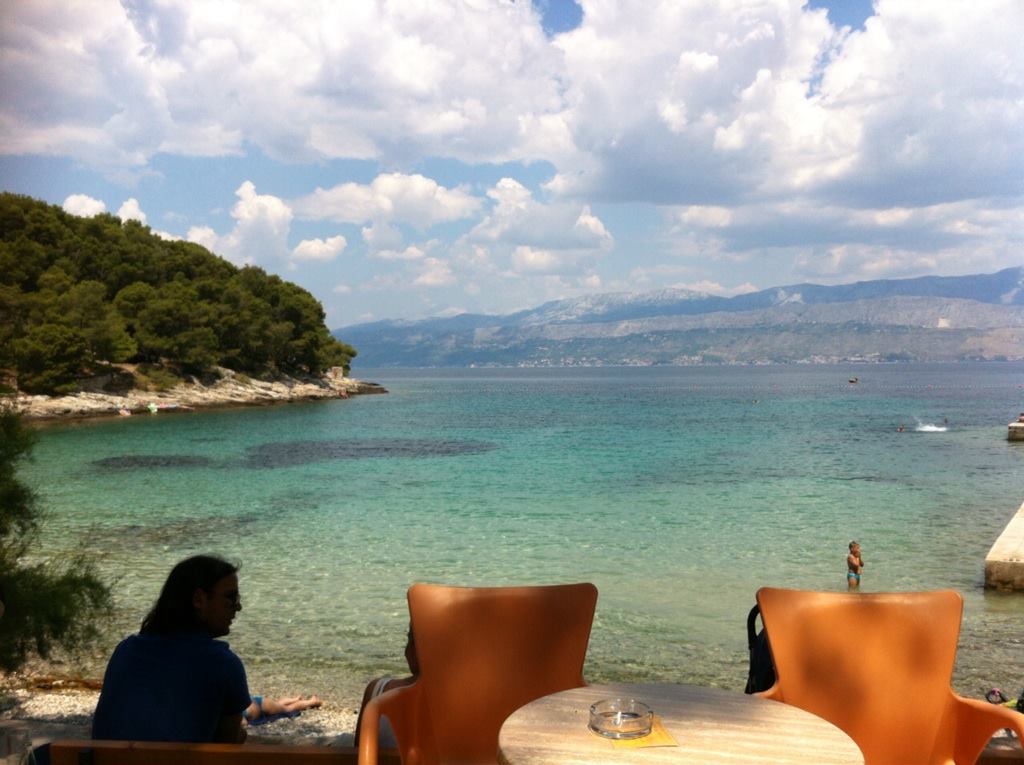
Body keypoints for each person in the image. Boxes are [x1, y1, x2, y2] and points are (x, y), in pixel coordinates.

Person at [91, 555, 251, 743]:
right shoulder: (224, 663)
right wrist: (242, 734)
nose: (238, 607)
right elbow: (226, 745)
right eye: (231, 598)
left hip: (108, 757)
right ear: (199, 599)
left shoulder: (126, 650)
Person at [354, 628, 419, 748]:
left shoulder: (376, 691)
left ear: (412, 648)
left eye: (409, 639)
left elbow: (358, 751)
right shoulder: (455, 704)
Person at [244, 694, 322, 726]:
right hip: (257, 703)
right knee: (278, 704)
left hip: (262, 705)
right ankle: (295, 699)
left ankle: (312, 702)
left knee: (288, 709)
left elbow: (244, 723)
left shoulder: (238, 714)